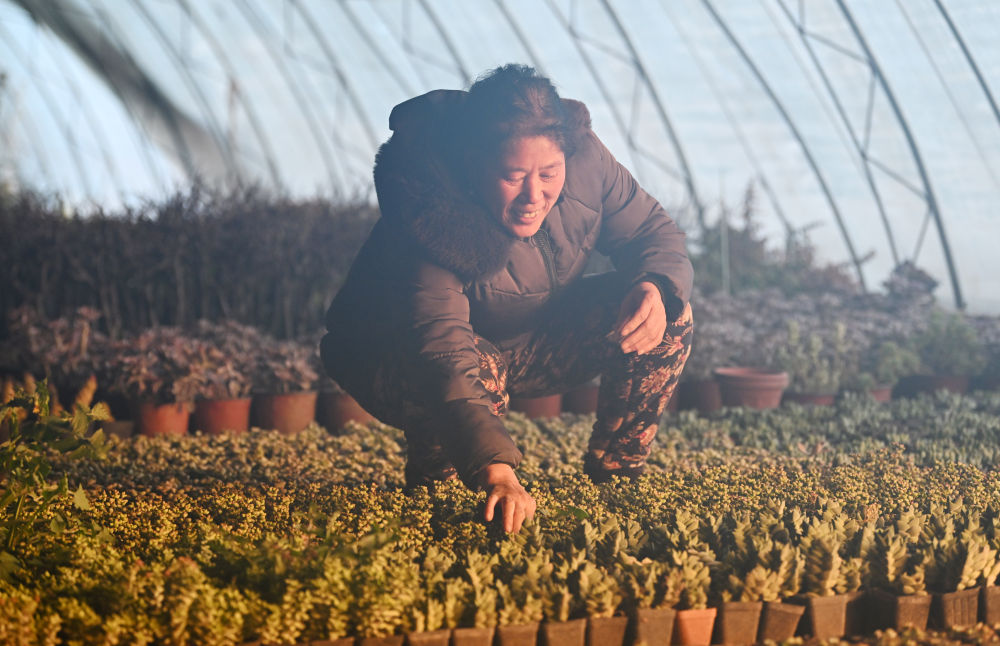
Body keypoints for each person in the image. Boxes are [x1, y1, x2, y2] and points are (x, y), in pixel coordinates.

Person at [321, 64, 693, 534]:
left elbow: (651, 231)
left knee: (664, 307)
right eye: (513, 176)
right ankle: (436, 493)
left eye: (549, 173)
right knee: (473, 391)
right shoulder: (432, 211)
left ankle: (615, 475)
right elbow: (442, 351)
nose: (533, 195)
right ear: (474, 166)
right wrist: (496, 470)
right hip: (397, 354)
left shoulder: (586, 160)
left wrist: (654, 285)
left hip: (523, 337)